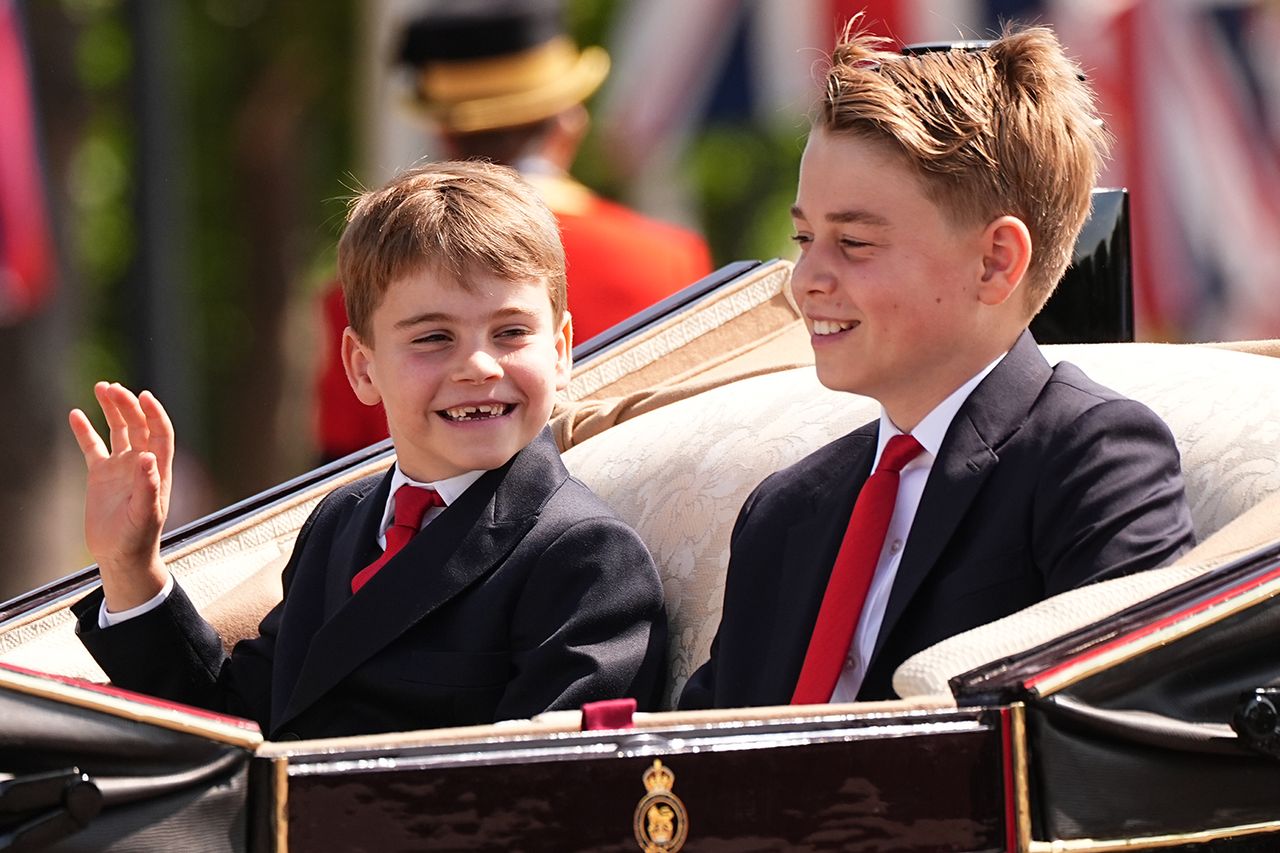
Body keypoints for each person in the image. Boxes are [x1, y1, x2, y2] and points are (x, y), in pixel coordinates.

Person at [679, 22, 1196, 710]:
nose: (806, 280)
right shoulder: (785, 510)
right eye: (805, 237)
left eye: (854, 242)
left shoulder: (1092, 459)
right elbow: (703, 754)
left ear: (995, 262)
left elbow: (1118, 742)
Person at [69, 161, 667, 740]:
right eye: (434, 338)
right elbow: (237, 725)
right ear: (362, 367)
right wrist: (130, 567)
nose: (480, 366)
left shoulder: (585, 558)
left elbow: (551, 794)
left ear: (561, 351)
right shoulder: (340, 522)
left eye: (511, 333)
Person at [316, 0, 713, 461]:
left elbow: (337, 469)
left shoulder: (360, 286)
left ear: (444, 135)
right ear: (568, 125)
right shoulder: (670, 257)